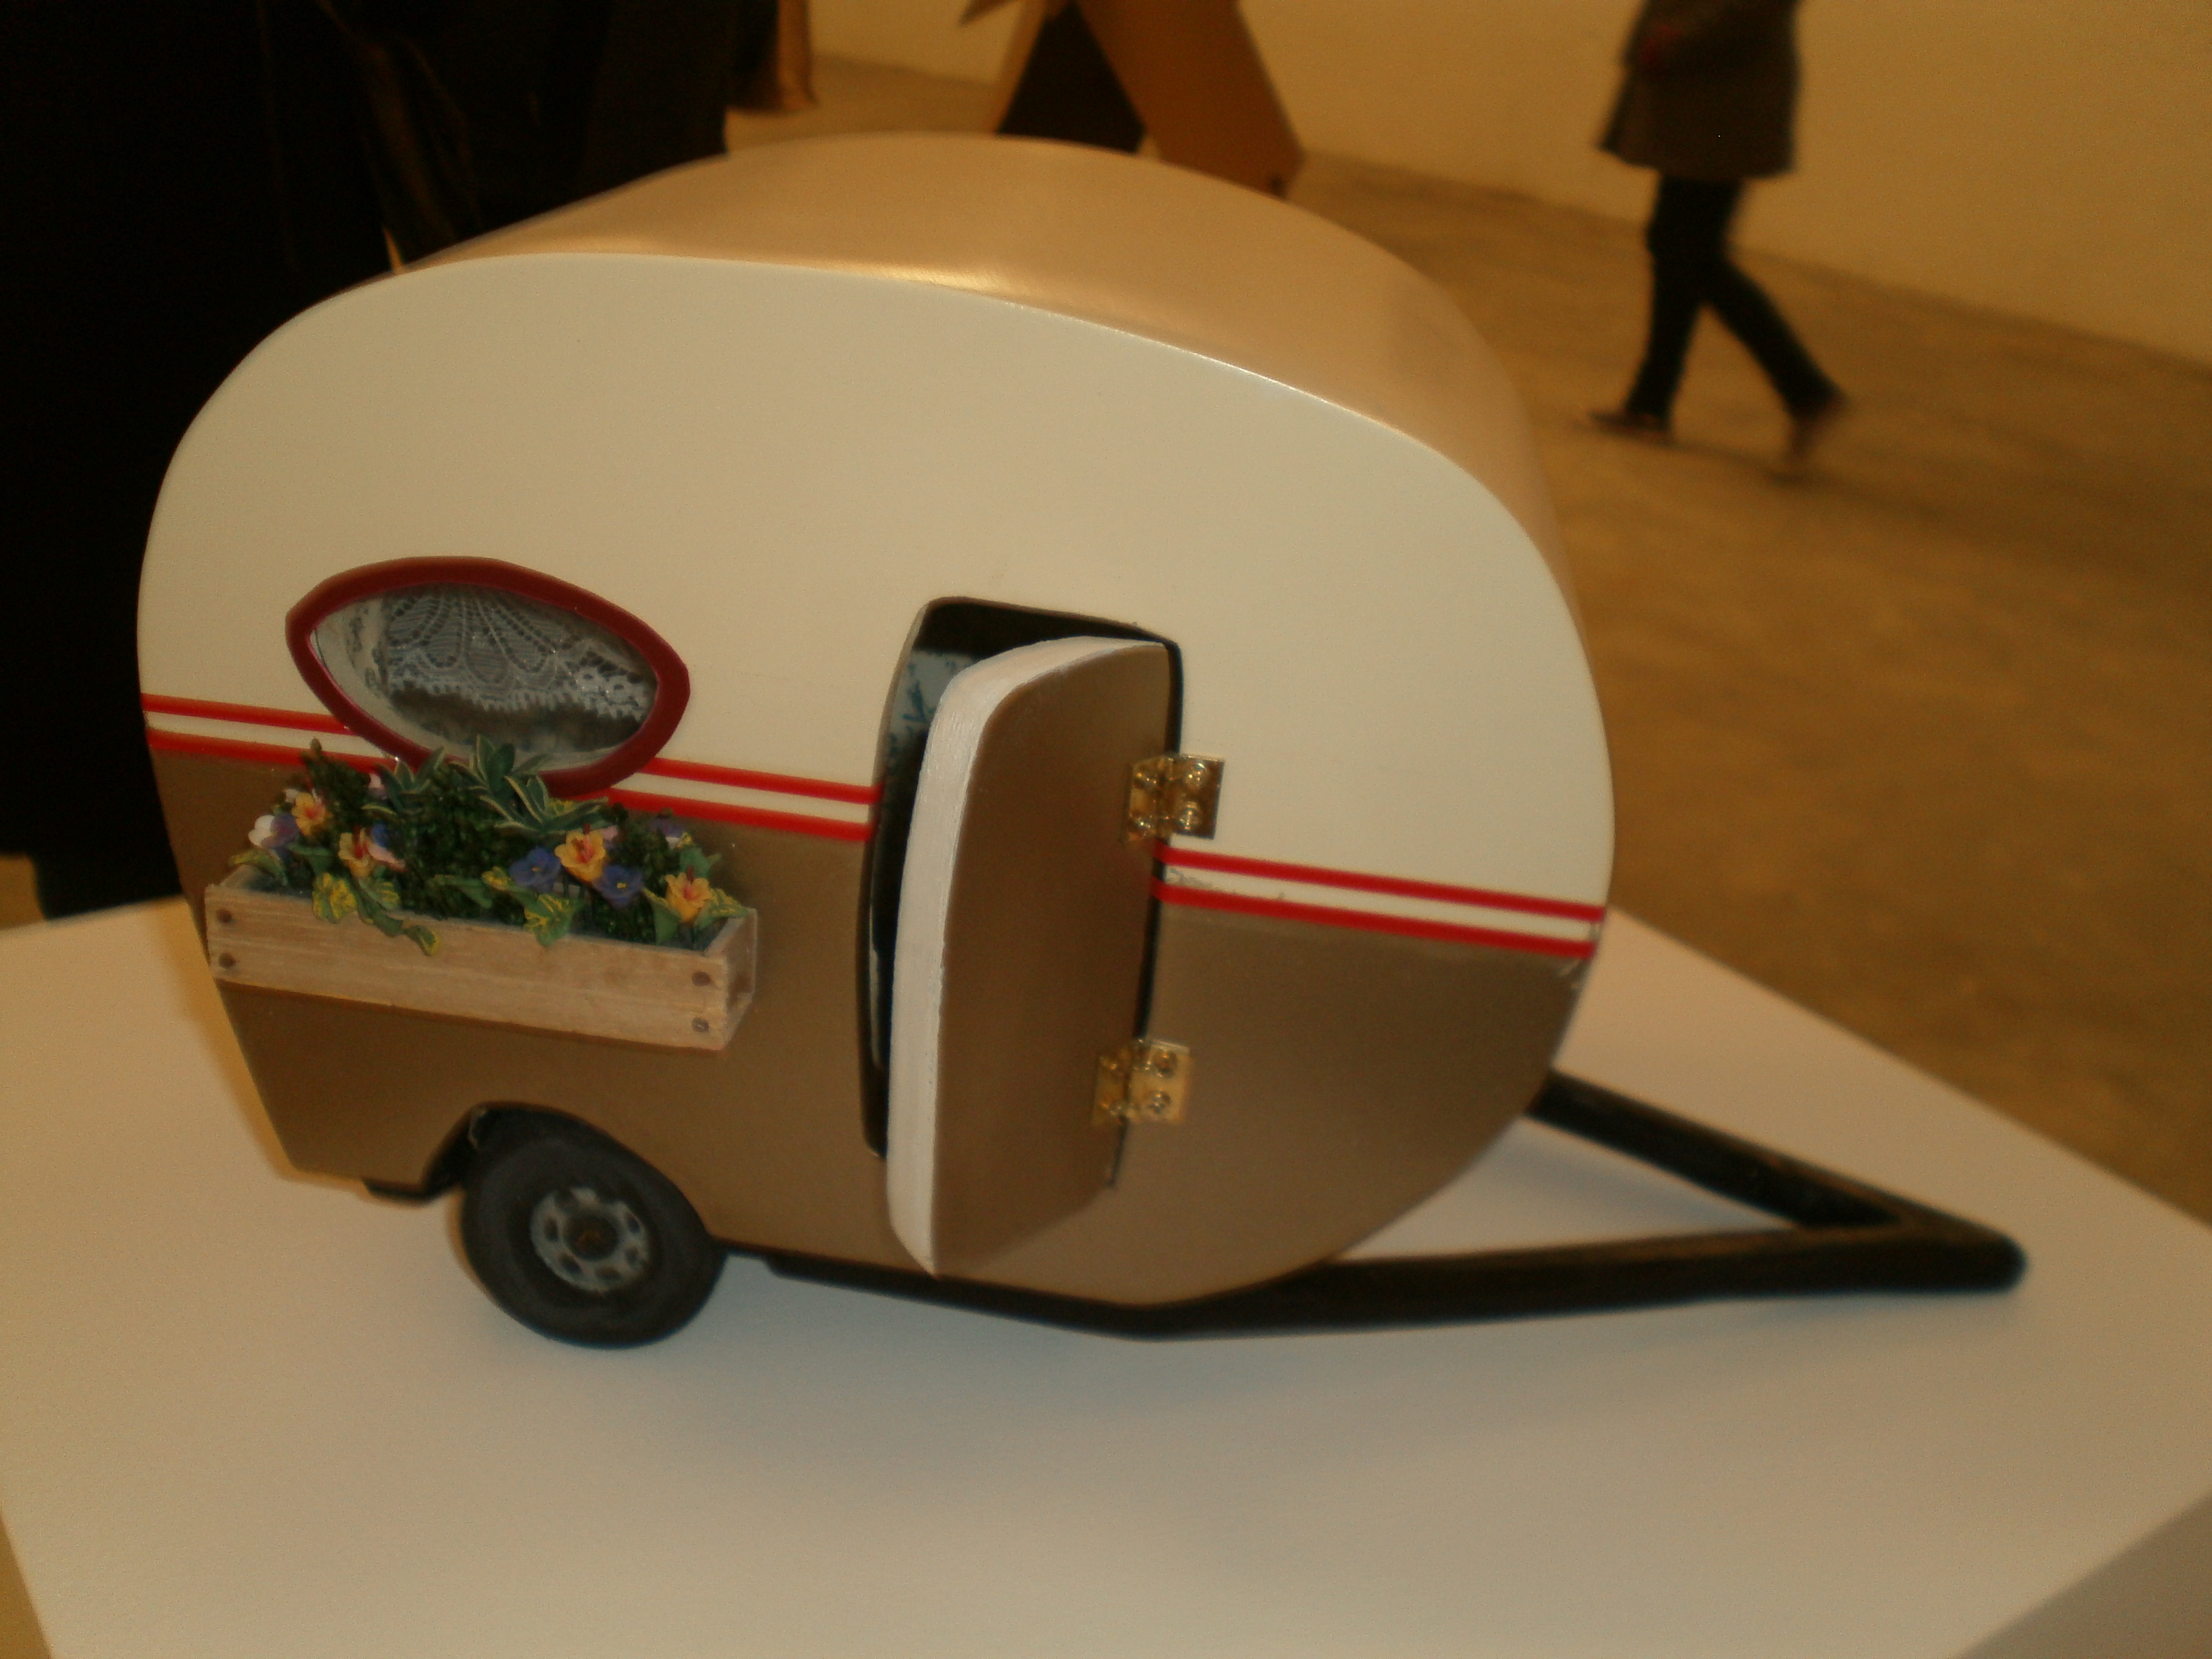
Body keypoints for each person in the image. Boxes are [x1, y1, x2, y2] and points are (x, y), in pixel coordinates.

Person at [1592, 0, 1846, 466]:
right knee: (1678, 246)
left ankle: (1806, 390)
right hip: (1708, 94)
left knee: (1689, 252)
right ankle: (1650, 403)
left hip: (1724, 100)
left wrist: (1675, 40)